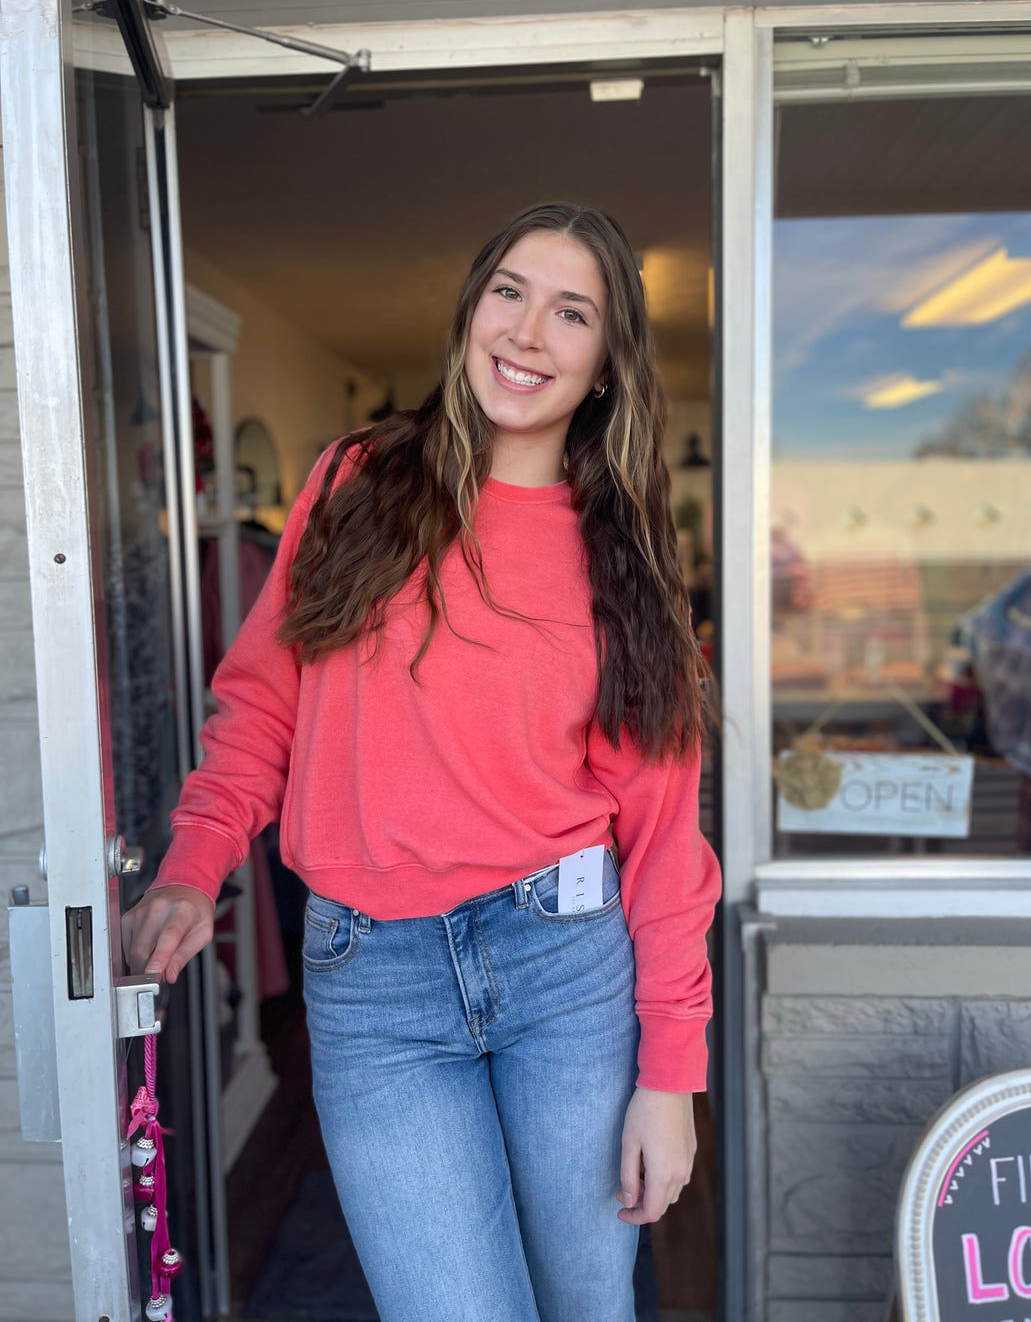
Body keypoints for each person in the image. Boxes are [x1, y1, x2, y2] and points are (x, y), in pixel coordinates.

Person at [123, 201, 723, 1322]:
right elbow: (263, 702)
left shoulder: (622, 549)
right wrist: (193, 862)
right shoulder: (358, 479)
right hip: (373, 981)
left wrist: (670, 1078)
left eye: (571, 313)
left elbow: (660, 829)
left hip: (566, 969)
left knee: (588, 1304)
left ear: (602, 366)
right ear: (469, 312)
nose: (528, 332)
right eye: (509, 291)